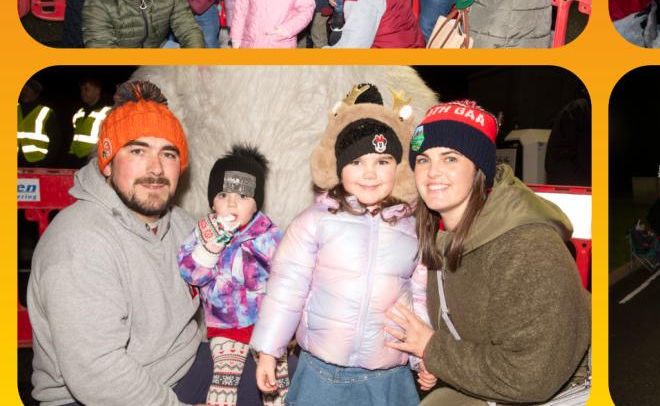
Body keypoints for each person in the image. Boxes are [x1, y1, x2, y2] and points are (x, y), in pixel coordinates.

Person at [27, 80, 262, 404]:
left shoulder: (182, 226)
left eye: (168, 154)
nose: (155, 169)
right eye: (137, 150)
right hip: (96, 395)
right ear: (107, 161)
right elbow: (98, 373)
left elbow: (225, 293)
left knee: (291, 381)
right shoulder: (79, 243)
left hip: (181, 366)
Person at [383, 100, 591, 405]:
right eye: (424, 160)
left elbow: (531, 377)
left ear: (479, 168)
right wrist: (437, 360)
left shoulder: (526, 246)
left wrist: (432, 348)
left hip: (564, 392)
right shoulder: (440, 235)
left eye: (450, 159)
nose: (433, 173)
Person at [251, 85, 426, 404]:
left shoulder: (413, 230)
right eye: (357, 162)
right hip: (322, 374)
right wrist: (268, 351)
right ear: (339, 168)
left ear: (398, 168)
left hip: (389, 378)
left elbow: (420, 298)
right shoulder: (314, 221)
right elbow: (286, 289)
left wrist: (423, 355)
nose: (370, 174)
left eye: (383, 161)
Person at [177, 145, 288, 406]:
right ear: (212, 201)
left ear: (256, 202)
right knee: (224, 377)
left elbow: (288, 277)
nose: (231, 202)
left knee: (276, 379)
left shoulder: (269, 236)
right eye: (223, 194)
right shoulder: (204, 233)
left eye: (242, 195)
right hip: (225, 324)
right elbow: (190, 273)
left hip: (265, 324)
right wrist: (210, 249)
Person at [66, 76, 111, 166]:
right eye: (82, 90)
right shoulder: (79, 113)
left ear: (97, 91)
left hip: (95, 162)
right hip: (76, 162)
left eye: (86, 89)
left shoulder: (108, 112)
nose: (83, 93)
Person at [18, 79, 59, 167]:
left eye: (27, 89)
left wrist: (46, 162)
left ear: (35, 93)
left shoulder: (46, 112)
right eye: (22, 89)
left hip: (36, 162)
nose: (23, 92)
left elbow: (55, 141)